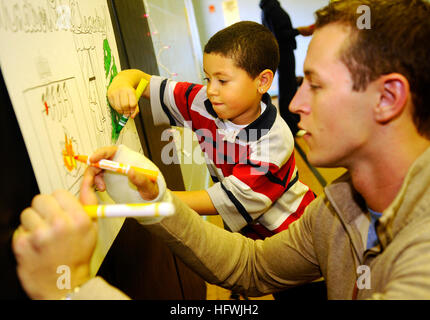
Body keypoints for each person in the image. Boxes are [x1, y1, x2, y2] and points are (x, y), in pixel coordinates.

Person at [13, 0, 430, 299]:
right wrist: (151, 199)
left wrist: (70, 291)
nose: (297, 104)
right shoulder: (338, 207)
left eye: (316, 86)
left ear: (388, 98)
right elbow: (252, 267)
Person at [107, 21, 315, 240]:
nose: (211, 89)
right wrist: (122, 83)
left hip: (293, 236)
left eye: (222, 81)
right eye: (208, 78)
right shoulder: (203, 101)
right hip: (247, 234)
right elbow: (142, 80)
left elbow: (223, 200)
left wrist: (155, 196)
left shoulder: (274, 139)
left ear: (262, 82)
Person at [260, 0, 314, 136]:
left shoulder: (268, 7)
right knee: (287, 87)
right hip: (283, 51)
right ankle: (292, 126)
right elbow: (280, 34)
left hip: (282, 51)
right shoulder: (272, 8)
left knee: (288, 85)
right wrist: (299, 31)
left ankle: (293, 123)